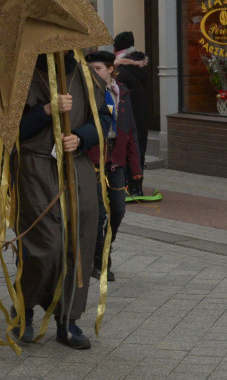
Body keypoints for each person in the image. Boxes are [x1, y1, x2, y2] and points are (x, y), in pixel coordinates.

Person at [13, 51, 112, 350]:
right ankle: (25, 311)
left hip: (76, 164)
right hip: (35, 167)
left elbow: (105, 118)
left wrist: (81, 137)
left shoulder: (86, 74)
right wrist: (46, 110)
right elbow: (10, 129)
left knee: (78, 242)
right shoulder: (22, 74)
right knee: (46, 245)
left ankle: (67, 319)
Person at [85, 50, 143, 282]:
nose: (94, 73)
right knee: (99, 214)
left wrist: (136, 169)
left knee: (117, 210)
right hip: (93, 160)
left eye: (98, 69)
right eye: (90, 70)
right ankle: (100, 262)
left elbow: (131, 131)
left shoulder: (123, 94)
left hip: (116, 162)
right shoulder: (87, 93)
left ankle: (103, 253)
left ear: (111, 69)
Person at [112, 31, 150, 194]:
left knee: (127, 148)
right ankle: (137, 185)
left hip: (127, 115)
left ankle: (129, 185)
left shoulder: (121, 70)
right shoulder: (141, 64)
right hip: (141, 113)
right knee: (139, 147)